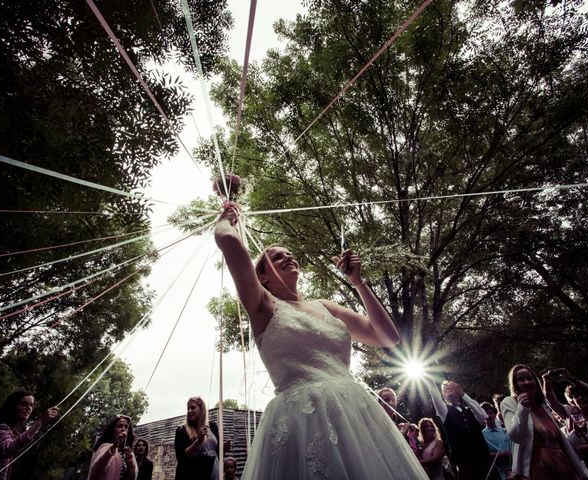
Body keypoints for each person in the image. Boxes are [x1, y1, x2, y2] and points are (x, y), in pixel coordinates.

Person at [214, 202, 427, 479]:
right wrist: (226, 218)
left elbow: (387, 337)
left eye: (290, 254)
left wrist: (358, 282)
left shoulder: (325, 306)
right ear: (262, 276)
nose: (289, 257)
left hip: (354, 413)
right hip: (301, 420)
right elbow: (231, 243)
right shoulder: (262, 306)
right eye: (278, 258)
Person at [499, 364, 588, 479]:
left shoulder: (542, 406)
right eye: (521, 380)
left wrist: (575, 434)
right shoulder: (509, 403)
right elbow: (516, 436)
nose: (527, 382)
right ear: (515, 384)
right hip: (538, 469)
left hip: (563, 465)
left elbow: (558, 440)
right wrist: (522, 409)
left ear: (535, 381)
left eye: (529, 378)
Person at [0, 390, 59, 480]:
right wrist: (40, 422)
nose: (28, 408)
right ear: (13, 406)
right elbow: (8, 448)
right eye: (23, 404)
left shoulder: (11, 432)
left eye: (31, 405)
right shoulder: (1, 428)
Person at [424, 378, 491, 479]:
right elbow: (434, 391)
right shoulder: (444, 411)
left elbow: (484, 416)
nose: (448, 387)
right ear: (443, 396)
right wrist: (431, 383)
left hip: (485, 460)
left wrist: (463, 394)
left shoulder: (470, 409)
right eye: (445, 388)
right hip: (466, 465)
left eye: (450, 386)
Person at [174, 396, 221, 480]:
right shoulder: (182, 430)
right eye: (188, 408)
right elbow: (182, 458)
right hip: (192, 474)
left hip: (213, 471)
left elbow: (218, 452)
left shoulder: (213, 426)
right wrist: (198, 441)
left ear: (201, 409)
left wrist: (225, 447)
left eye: (193, 408)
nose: (189, 411)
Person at [87, 415, 137, 480]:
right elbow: (96, 470)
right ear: (112, 431)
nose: (123, 429)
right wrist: (113, 447)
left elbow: (133, 478)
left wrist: (130, 461)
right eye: (119, 426)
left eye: (126, 427)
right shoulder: (105, 447)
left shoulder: (129, 454)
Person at [480, 401, 511, 480]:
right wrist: (503, 454)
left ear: (494, 415)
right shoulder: (482, 435)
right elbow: (484, 455)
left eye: (491, 413)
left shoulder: (504, 431)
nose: (489, 415)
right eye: (486, 414)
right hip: (498, 473)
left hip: (514, 468)